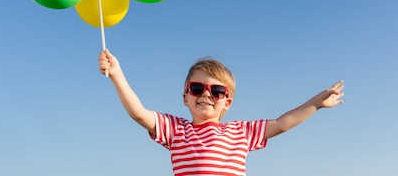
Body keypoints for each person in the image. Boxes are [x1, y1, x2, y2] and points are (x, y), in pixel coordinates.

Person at [98, 49, 344, 176]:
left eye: (216, 91)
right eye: (197, 88)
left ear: (227, 102)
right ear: (185, 97)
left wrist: (316, 103)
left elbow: (282, 123)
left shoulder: (240, 132)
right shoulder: (176, 131)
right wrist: (117, 75)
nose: (206, 94)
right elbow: (140, 114)